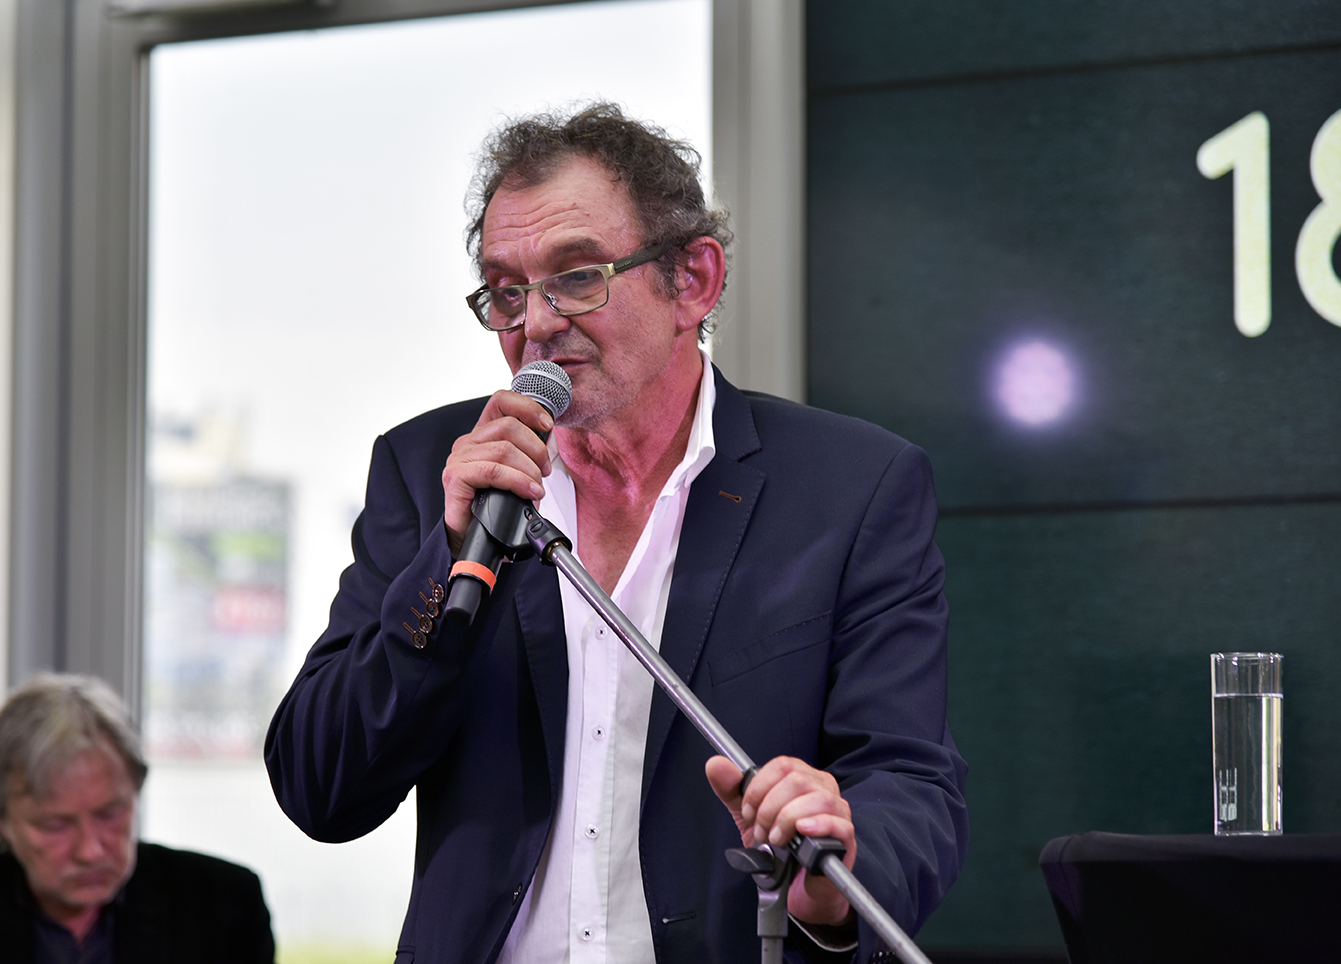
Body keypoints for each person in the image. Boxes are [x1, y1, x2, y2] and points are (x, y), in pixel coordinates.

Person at [265, 103, 967, 964]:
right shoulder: (431, 471)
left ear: (693, 281)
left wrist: (837, 875)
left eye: (576, 277)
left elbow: (909, 783)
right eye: (507, 291)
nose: (536, 323)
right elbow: (319, 785)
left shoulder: (850, 487)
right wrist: (445, 559)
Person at [0, 674, 275, 963]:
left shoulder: (223, 906)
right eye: (55, 825)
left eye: (110, 814)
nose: (90, 851)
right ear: (1, 821)